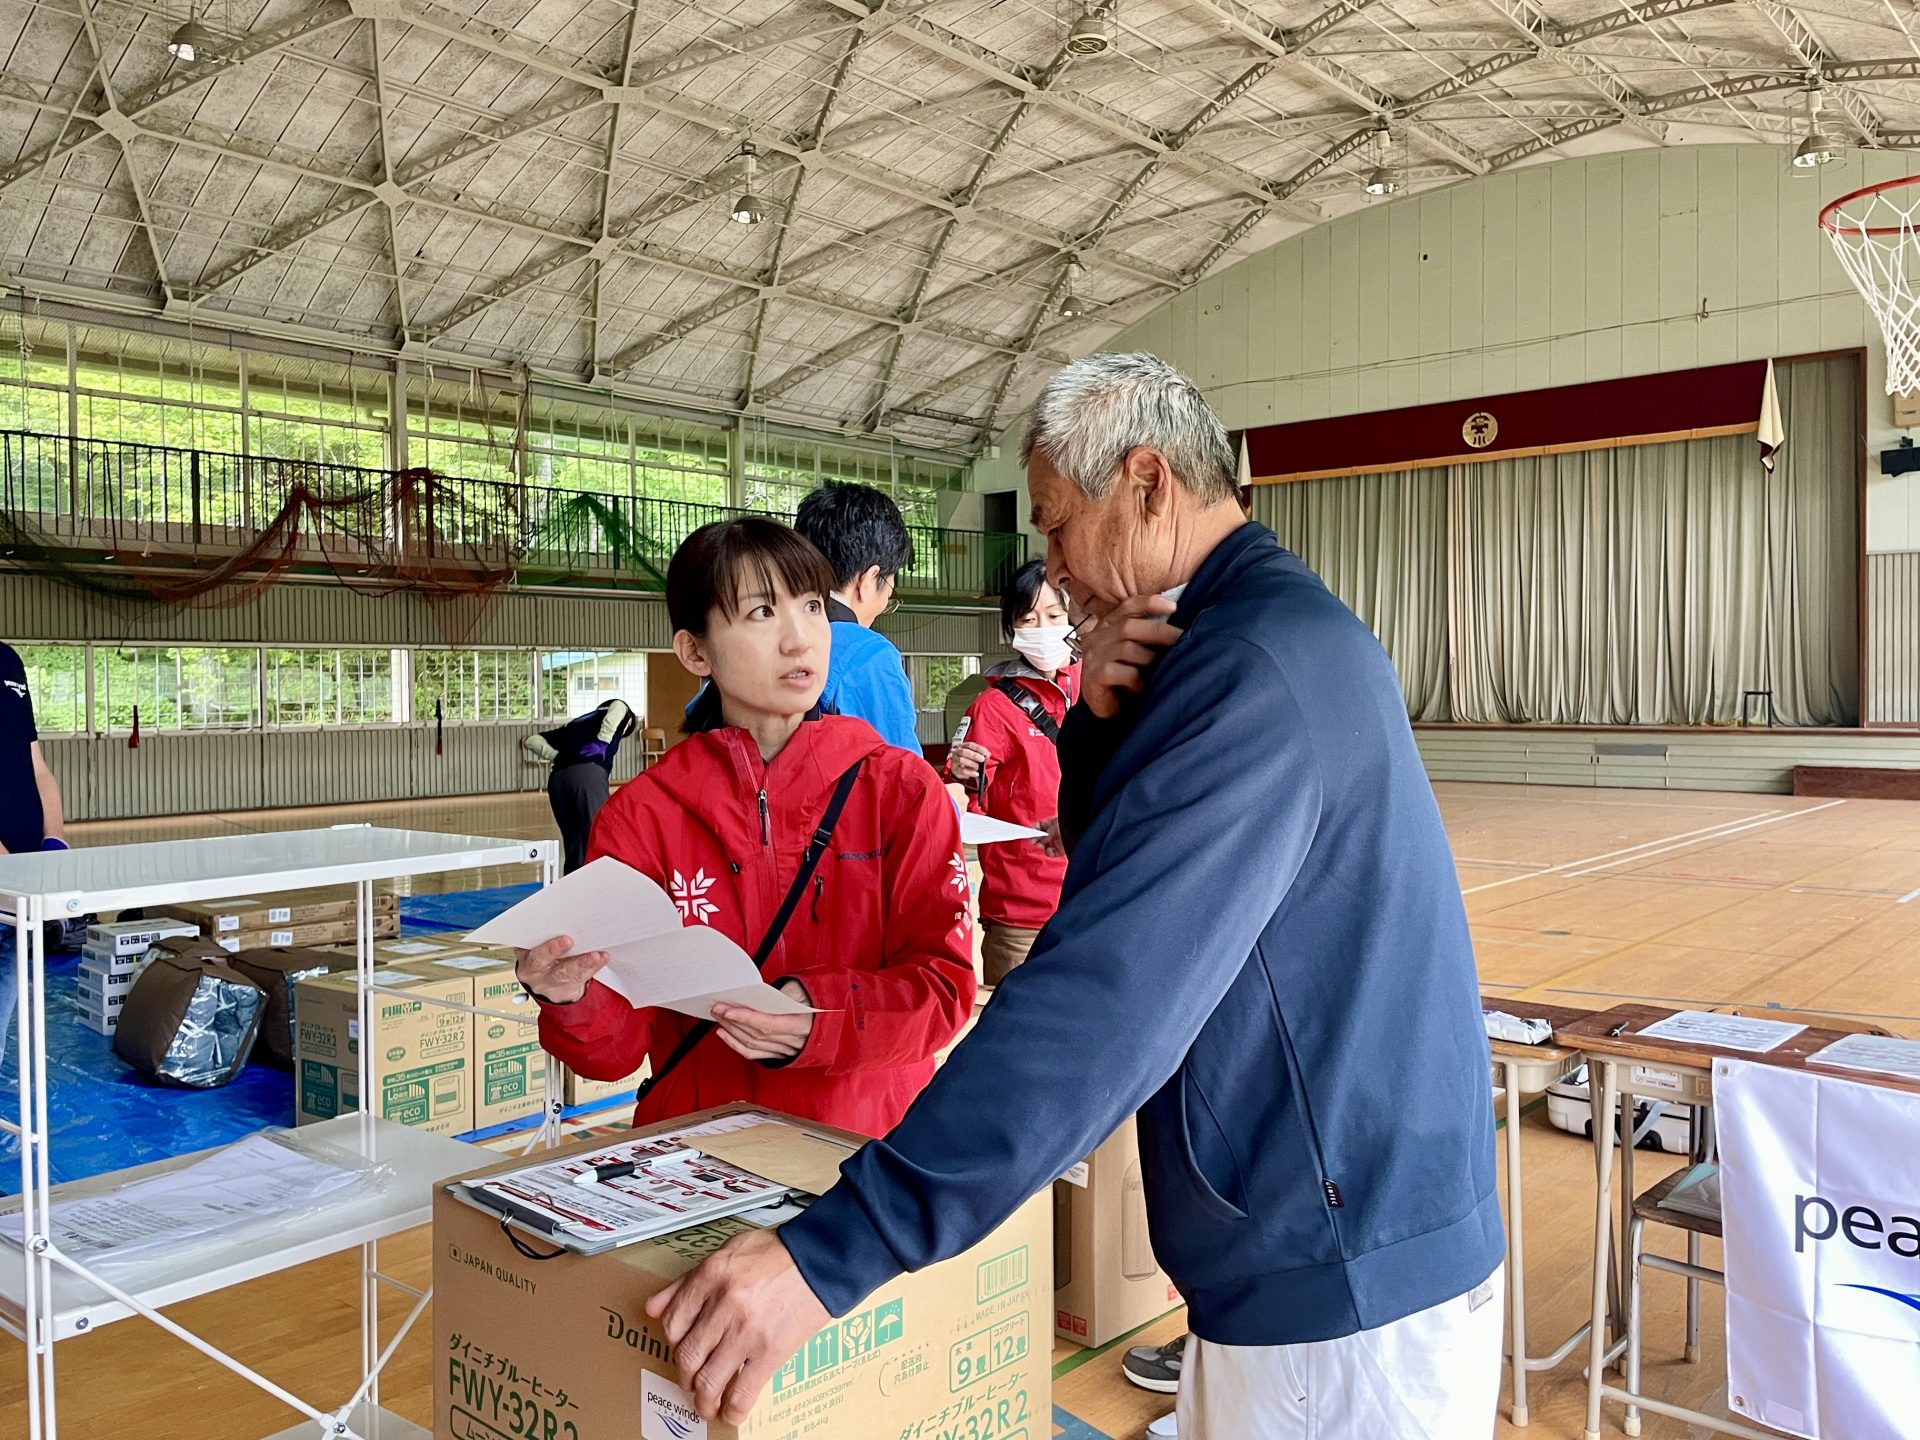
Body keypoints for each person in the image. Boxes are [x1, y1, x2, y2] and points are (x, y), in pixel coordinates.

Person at [644, 354, 1504, 1440]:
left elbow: (1106, 996)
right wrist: (1095, 726)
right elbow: (1121, 867)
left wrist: (836, 1250)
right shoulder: (1232, 638)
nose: (1051, 572)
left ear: (1149, 485)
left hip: (1341, 1283)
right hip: (1326, 1244)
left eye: (1056, 527)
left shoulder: (1252, 672)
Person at [513, 518, 975, 1137]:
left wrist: (822, 1016)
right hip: (696, 1155)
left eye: (811, 607)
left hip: (861, 1151)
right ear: (695, 651)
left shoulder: (899, 791)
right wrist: (567, 996)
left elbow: (942, 990)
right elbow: (616, 1051)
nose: (799, 639)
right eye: (761, 612)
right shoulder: (644, 815)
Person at [943, 560, 1078, 984]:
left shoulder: (1101, 688)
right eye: (1029, 618)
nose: (1043, 627)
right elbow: (967, 792)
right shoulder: (993, 708)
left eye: (1055, 616)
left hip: (1093, 897)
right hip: (1022, 911)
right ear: (1011, 629)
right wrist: (959, 771)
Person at [790, 480, 922, 756]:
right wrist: (952, 798)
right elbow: (906, 786)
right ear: (869, 579)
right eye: (888, 590)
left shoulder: (759, 634)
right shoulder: (868, 655)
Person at [0, 641, 68, 1066]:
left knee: (6, 971)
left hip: (19, 879)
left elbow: (37, 766)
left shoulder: (8, 661)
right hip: (9, 873)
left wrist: (55, 840)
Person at [522, 697, 636, 874]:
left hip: (558, 780)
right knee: (596, 836)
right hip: (587, 775)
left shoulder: (572, 725)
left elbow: (531, 740)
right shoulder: (622, 715)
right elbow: (620, 706)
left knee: (574, 842)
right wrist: (603, 741)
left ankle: (572, 886)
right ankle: (598, 884)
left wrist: (556, 756)